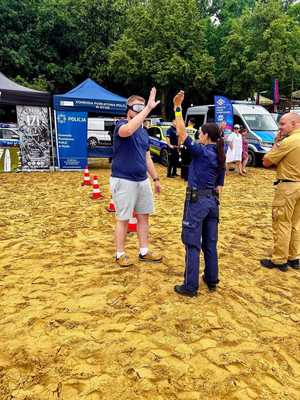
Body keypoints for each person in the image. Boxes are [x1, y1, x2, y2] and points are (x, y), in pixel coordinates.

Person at [172, 91, 226, 297]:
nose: (199, 136)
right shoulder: (220, 155)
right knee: (210, 243)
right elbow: (220, 185)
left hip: (197, 200)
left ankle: (190, 286)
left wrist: (178, 108)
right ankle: (211, 279)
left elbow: (182, 134)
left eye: (201, 133)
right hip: (213, 201)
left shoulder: (202, 151)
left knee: (192, 243)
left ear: (205, 135)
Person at [110, 87, 163, 267]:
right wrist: (147, 108)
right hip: (123, 179)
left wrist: (155, 178)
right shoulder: (120, 125)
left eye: (143, 107)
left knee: (143, 216)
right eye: (137, 107)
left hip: (142, 180)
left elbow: (146, 156)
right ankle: (119, 253)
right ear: (128, 108)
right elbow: (127, 131)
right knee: (123, 218)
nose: (140, 110)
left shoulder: (143, 132)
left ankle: (144, 251)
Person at [261, 112, 300, 272]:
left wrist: (276, 144)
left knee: (282, 222)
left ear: (294, 123)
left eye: (283, 124)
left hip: (288, 186)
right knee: (295, 224)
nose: (280, 127)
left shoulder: (289, 142)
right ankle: (294, 257)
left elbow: (266, 161)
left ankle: (279, 259)